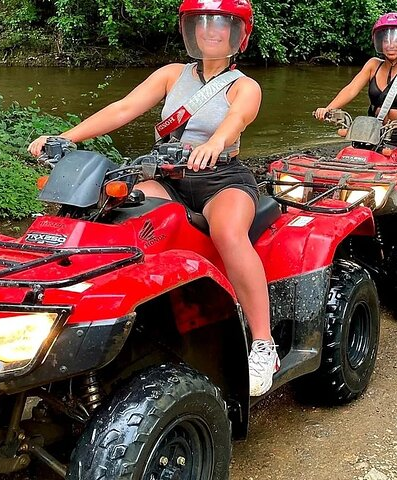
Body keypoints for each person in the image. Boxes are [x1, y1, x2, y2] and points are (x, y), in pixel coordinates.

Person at [28, 0, 279, 396]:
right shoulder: (170, 75)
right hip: (167, 175)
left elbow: (236, 120)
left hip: (221, 177)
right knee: (118, 218)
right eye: (203, 23)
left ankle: (263, 343)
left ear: (238, 36)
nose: (211, 31)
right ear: (191, 31)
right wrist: (67, 137)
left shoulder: (245, 85)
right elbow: (124, 108)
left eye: (222, 25)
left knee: (229, 232)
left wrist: (214, 142)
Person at [313, 12, 397, 169]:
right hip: (372, 136)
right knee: (345, 163)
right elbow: (351, 89)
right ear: (379, 42)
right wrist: (329, 109)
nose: (390, 45)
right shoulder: (372, 65)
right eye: (385, 40)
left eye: (396, 40)